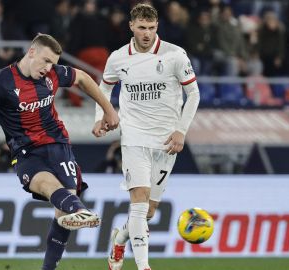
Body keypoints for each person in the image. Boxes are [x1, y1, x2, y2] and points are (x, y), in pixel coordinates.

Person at [0, 33, 119, 270]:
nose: (48, 68)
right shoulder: (1, 84)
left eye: (53, 64)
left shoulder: (53, 74)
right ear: (31, 52)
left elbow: (84, 78)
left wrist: (109, 110)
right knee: (51, 189)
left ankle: (50, 264)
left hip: (58, 145)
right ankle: (79, 209)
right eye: (45, 61)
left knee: (62, 212)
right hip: (25, 152)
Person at [92, 4, 200, 270]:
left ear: (157, 27)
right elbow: (103, 89)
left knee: (148, 211)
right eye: (142, 28)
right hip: (134, 137)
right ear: (131, 26)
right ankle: (144, 266)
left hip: (166, 141)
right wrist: (100, 117)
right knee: (139, 200)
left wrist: (181, 130)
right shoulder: (118, 58)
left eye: (151, 28)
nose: (147, 34)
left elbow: (194, 94)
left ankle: (120, 236)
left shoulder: (175, 55)